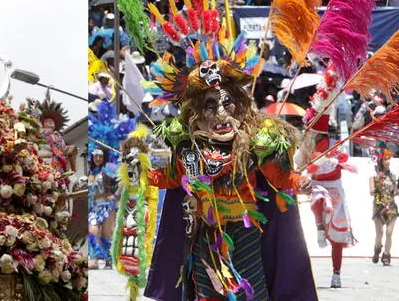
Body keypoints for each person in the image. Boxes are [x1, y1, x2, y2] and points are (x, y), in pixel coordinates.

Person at [144, 49, 316, 300]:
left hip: (244, 231)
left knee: (251, 291)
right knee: (208, 292)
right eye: (210, 106)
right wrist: (138, 173)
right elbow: (168, 178)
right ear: (197, 115)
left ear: (240, 107)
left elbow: (278, 177)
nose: (221, 113)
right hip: (204, 233)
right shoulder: (190, 153)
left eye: (227, 103)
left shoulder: (254, 144)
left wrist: (300, 182)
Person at [295, 114, 356, 288]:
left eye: (311, 130)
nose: (308, 133)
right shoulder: (307, 147)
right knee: (318, 200)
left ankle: (336, 274)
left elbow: (343, 161)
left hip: (335, 189)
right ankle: (319, 227)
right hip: (317, 186)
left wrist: (333, 161)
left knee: (337, 238)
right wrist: (307, 167)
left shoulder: (335, 145)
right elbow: (297, 164)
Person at [370, 149, 398, 265]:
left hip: (391, 207)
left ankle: (386, 254)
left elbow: (395, 191)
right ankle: (377, 249)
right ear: (380, 161)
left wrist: (396, 190)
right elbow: (371, 192)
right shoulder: (374, 177)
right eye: (386, 159)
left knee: (389, 232)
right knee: (380, 233)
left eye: (389, 160)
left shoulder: (393, 176)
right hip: (378, 207)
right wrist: (378, 185)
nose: (388, 162)